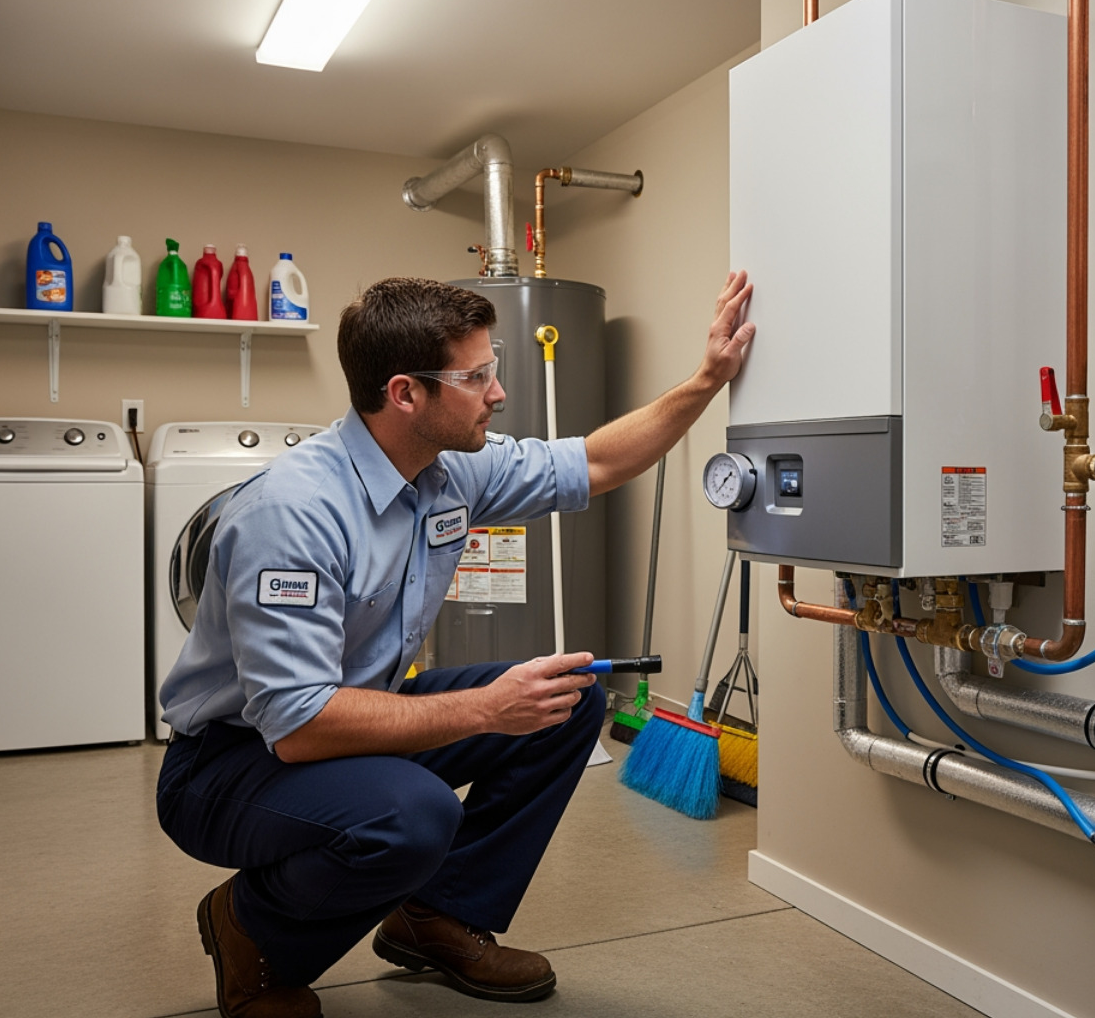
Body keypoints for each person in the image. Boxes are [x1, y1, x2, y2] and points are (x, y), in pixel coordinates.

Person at [155, 271, 756, 1018]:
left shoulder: (449, 472)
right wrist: (484, 710)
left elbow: (595, 463)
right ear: (406, 393)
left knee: (566, 703)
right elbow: (301, 726)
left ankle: (431, 917)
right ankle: (254, 934)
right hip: (229, 760)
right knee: (413, 815)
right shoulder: (293, 515)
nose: (498, 393)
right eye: (476, 377)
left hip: (353, 715)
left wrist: (707, 380)